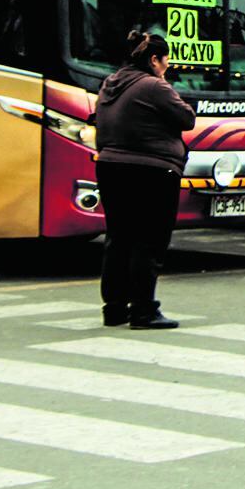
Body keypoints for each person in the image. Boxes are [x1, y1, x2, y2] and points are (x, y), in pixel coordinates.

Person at [94, 30, 196, 330]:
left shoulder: (111, 83)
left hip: (111, 166)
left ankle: (113, 308)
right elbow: (187, 118)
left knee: (118, 237)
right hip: (152, 170)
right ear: (154, 60)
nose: (167, 67)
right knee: (149, 240)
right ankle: (143, 309)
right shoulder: (154, 86)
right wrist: (165, 86)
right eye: (166, 61)